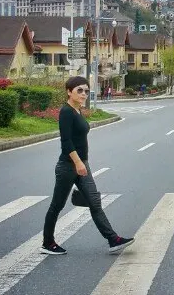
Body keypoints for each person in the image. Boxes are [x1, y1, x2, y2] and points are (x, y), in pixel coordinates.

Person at [41, 76, 135, 255]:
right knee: (57, 205)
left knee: (94, 202)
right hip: (68, 166)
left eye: (86, 90)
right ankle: (47, 243)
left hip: (82, 164)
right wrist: (78, 163)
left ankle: (113, 239)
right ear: (69, 92)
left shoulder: (77, 110)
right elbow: (66, 142)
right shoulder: (66, 112)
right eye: (79, 90)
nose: (84, 94)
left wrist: (82, 163)